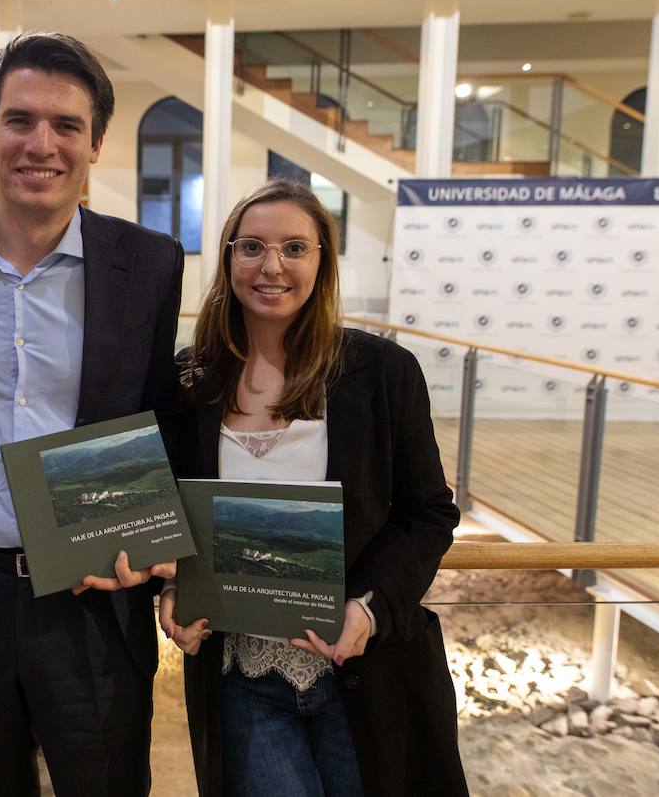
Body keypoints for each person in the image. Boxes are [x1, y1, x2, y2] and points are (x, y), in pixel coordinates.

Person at [0, 31, 184, 797]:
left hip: (94, 595)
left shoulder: (149, 264)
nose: (40, 144)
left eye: (66, 126)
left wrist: (161, 547)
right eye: (19, 120)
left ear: (96, 146)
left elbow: (160, 418)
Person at [158, 179, 467, 796]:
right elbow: (173, 521)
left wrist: (370, 607)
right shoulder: (188, 382)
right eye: (252, 247)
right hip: (243, 676)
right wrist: (171, 591)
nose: (272, 266)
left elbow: (430, 513)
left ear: (323, 262)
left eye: (295, 248)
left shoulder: (382, 373)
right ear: (227, 260)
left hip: (362, 671)